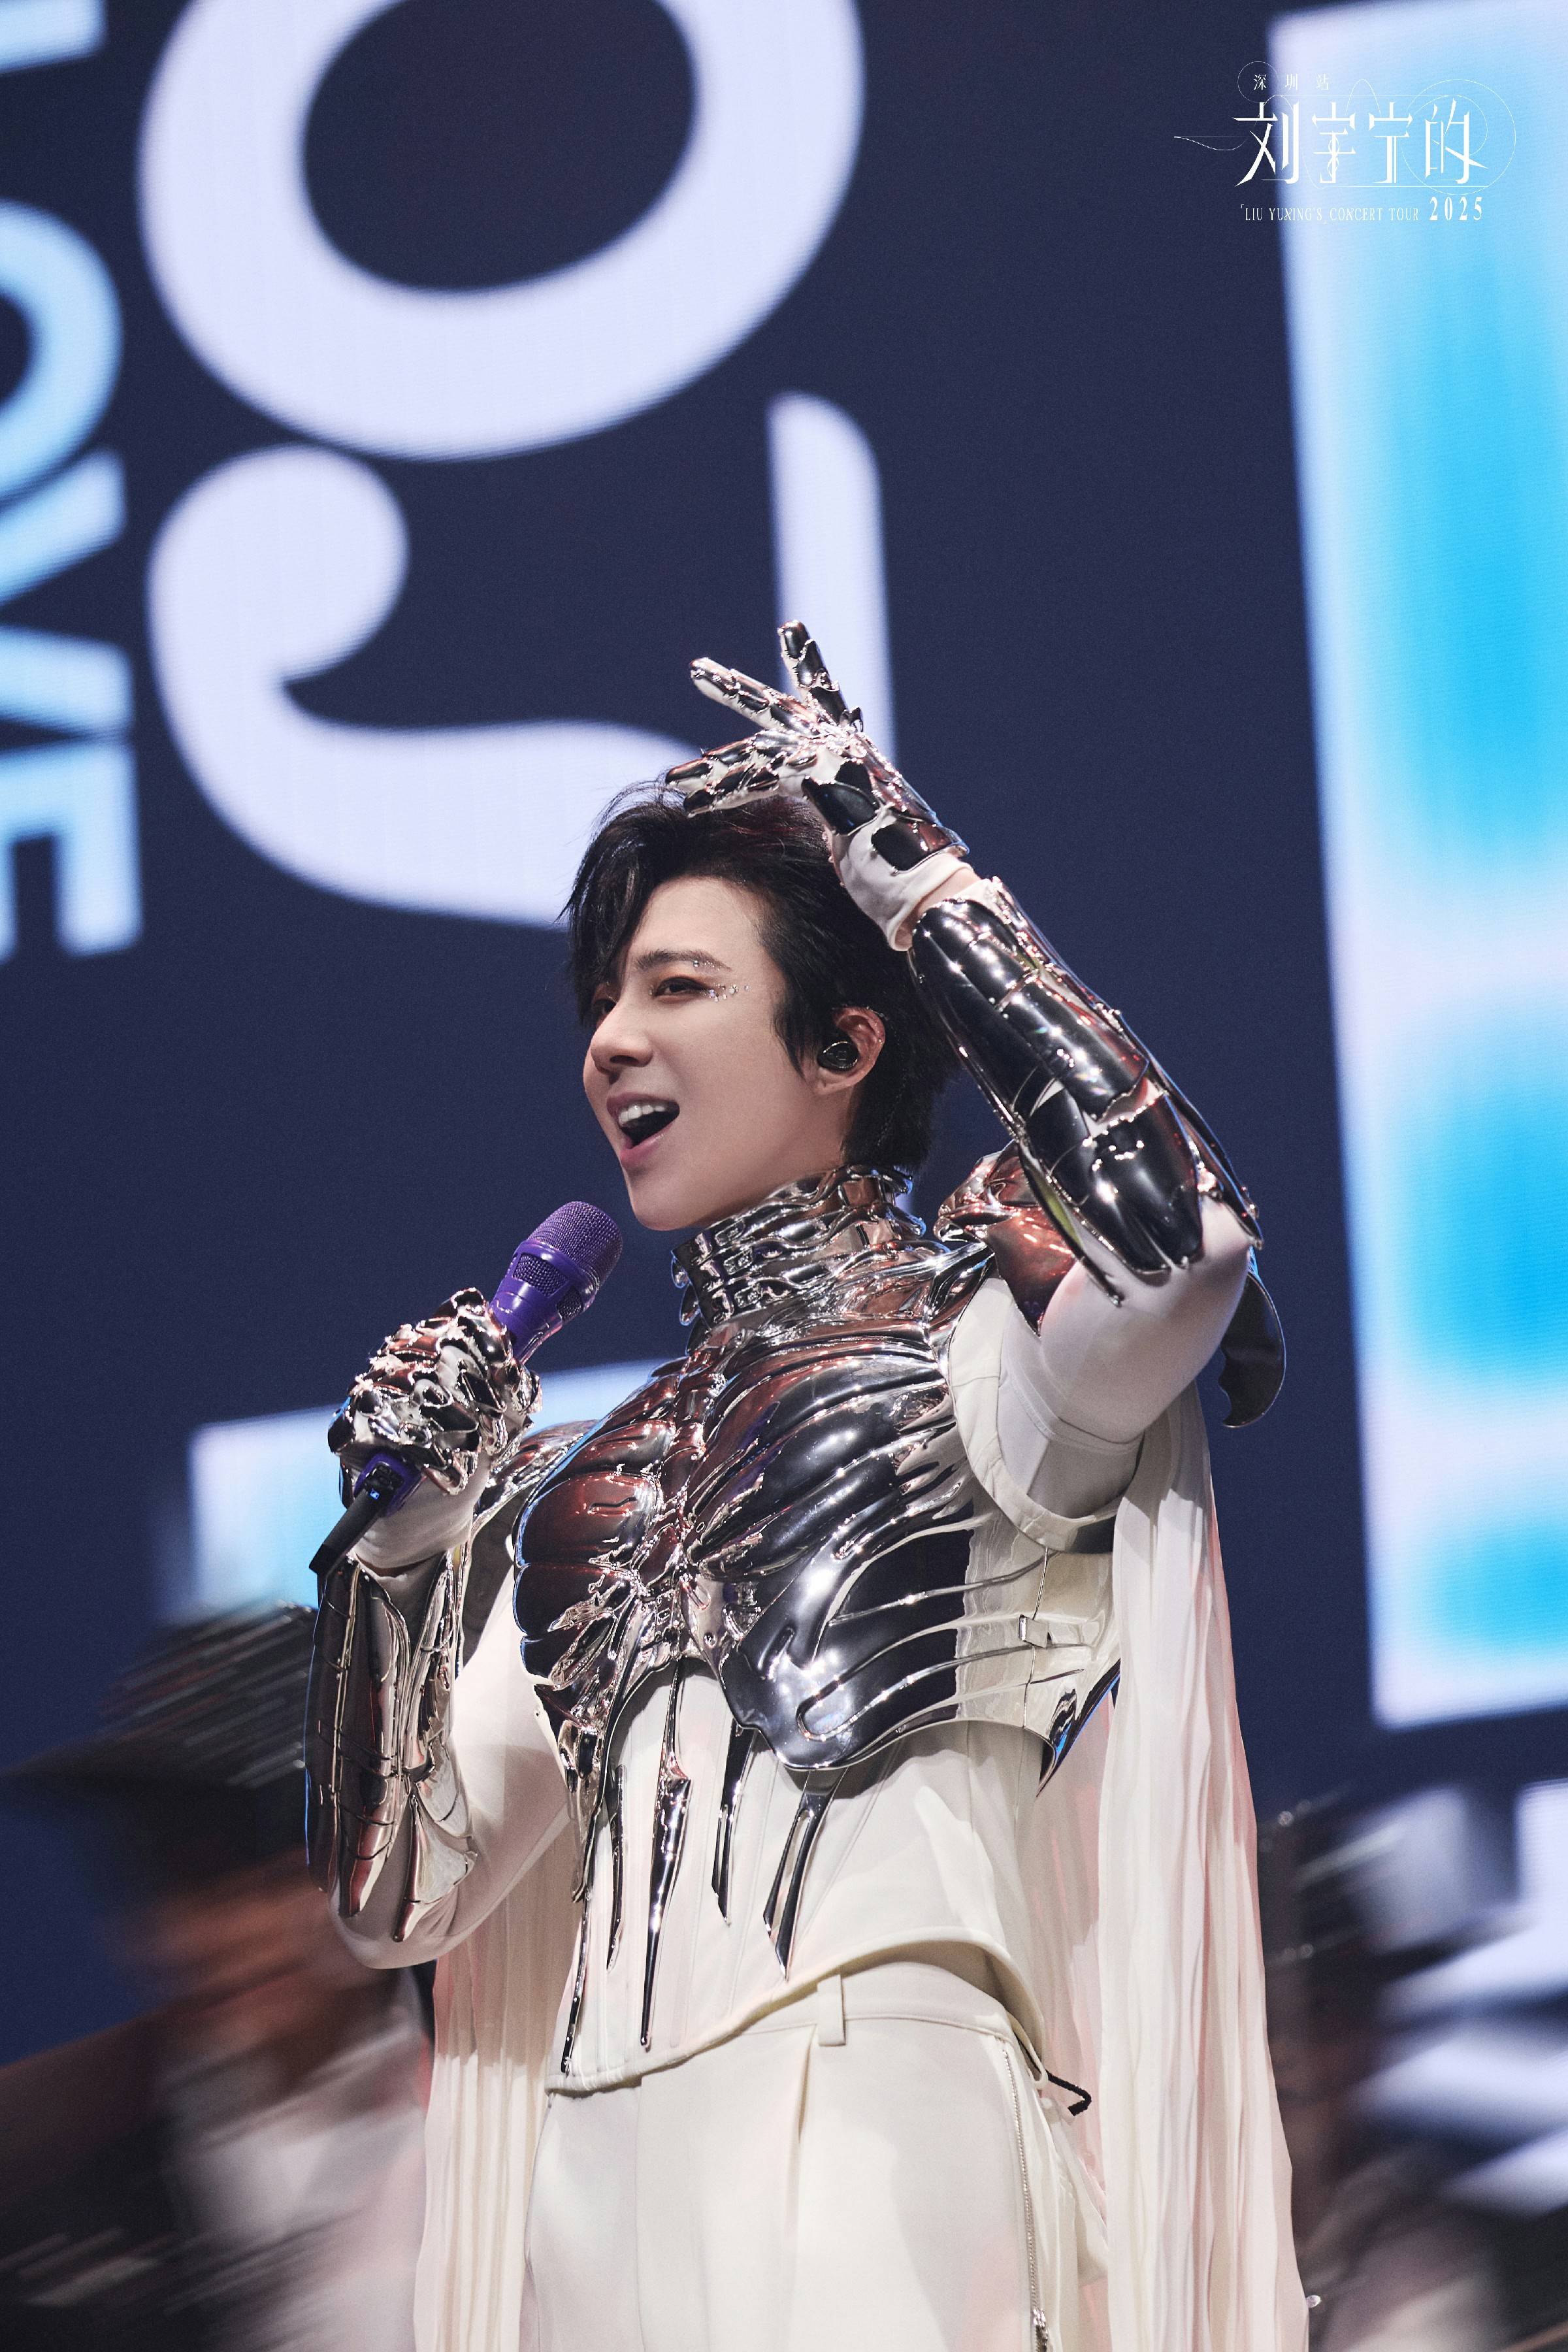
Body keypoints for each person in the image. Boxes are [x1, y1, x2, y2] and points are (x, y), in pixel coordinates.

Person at [306, 625, 1306, 2352]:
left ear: (844, 1045)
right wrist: (394, 1556)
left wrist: (917, 877)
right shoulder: (592, 1487)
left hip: (874, 2106)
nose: (614, 1041)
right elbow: (400, 1898)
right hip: (592, 2163)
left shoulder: (983, 1351)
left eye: (678, 988)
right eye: (607, 998)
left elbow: (1187, 1239)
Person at [0, 1609, 427, 2352]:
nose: (210, 1935)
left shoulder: (518, 2101)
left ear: (384, 1849)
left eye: (266, 1868)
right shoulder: (48, 2165)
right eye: (167, 1877)